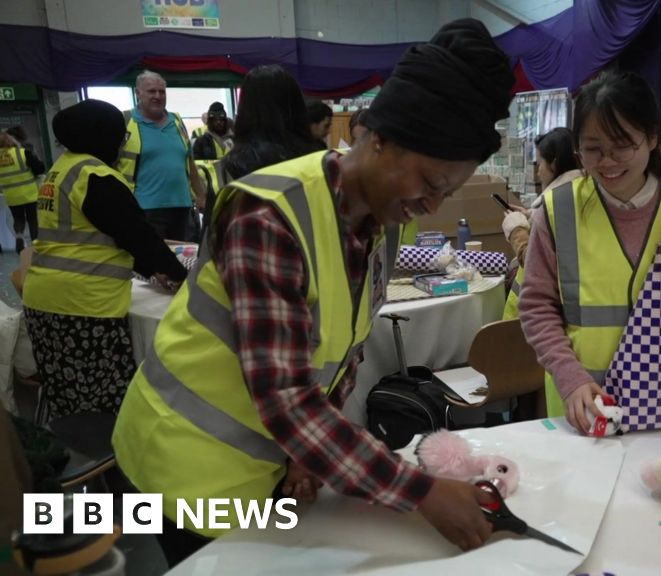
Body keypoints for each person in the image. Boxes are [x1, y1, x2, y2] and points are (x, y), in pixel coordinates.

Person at [111, 18, 514, 566]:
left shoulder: (381, 223)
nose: (431, 205)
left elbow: (342, 349)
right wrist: (421, 492)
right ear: (379, 137)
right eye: (429, 183)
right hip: (183, 467)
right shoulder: (269, 215)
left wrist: (307, 453)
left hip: (258, 467)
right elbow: (285, 398)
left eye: (447, 192)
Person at [518, 70, 661, 434]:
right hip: (585, 407)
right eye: (592, 148)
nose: (607, 161)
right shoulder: (558, 209)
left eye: (622, 145)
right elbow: (535, 305)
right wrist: (569, 376)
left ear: (652, 137)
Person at [22, 100, 186, 421]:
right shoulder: (95, 176)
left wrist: (152, 270)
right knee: (104, 406)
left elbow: (95, 238)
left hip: (45, 302)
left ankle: (77, 451)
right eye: (120, 136)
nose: (123, 145)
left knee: (70, 400)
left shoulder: (61, 170)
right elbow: (138, 235)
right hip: (84, 308)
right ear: (101, 135)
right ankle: (104, 454)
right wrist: (179, 275)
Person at [195, 65, 323, 234]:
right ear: (297, 107)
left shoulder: (228, 170)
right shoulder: (319, 163)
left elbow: (212, 236)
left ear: (244, 110)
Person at [500, 127, 581, 319]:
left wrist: (517, 231)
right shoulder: (579, 195)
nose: (538, 172)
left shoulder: (559, 204)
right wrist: (532, 216)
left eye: (540, 163)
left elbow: (535, 262)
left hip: (538, 315)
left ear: (554, 163)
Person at [117, 70, 206, 241]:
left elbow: (189, 163)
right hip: (143, 210)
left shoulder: (177, 121)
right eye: (152, 91)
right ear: (138, 93)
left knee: (185, 256)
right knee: (151, 258)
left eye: (162, 91)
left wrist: (201, 196)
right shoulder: (125, 122)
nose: (158, 96)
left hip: (183, 208)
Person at [0, 132, 45, 253]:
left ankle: (19, 237)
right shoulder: (22, 153)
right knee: (32, 219)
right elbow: (40, 168)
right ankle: (35, 244)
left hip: (11, 196)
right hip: (29, 193)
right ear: (11, 141)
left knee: (18, 219)